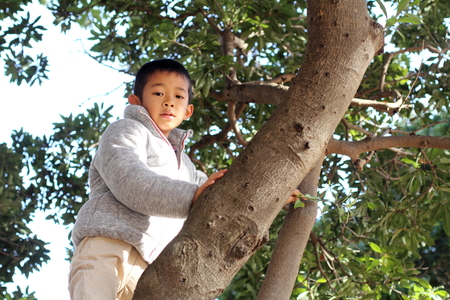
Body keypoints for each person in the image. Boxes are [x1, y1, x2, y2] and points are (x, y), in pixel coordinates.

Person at [68, 59, 299, 299]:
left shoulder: (187, 168)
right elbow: (128, 179)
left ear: (188, 110)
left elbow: (221, 195)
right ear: (136, 101)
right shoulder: (126, 130)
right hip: (109, 247)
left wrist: (271, 193)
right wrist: (191, 196)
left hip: (153, 271)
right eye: (158, 92)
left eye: (178, 97)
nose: (169, 101)